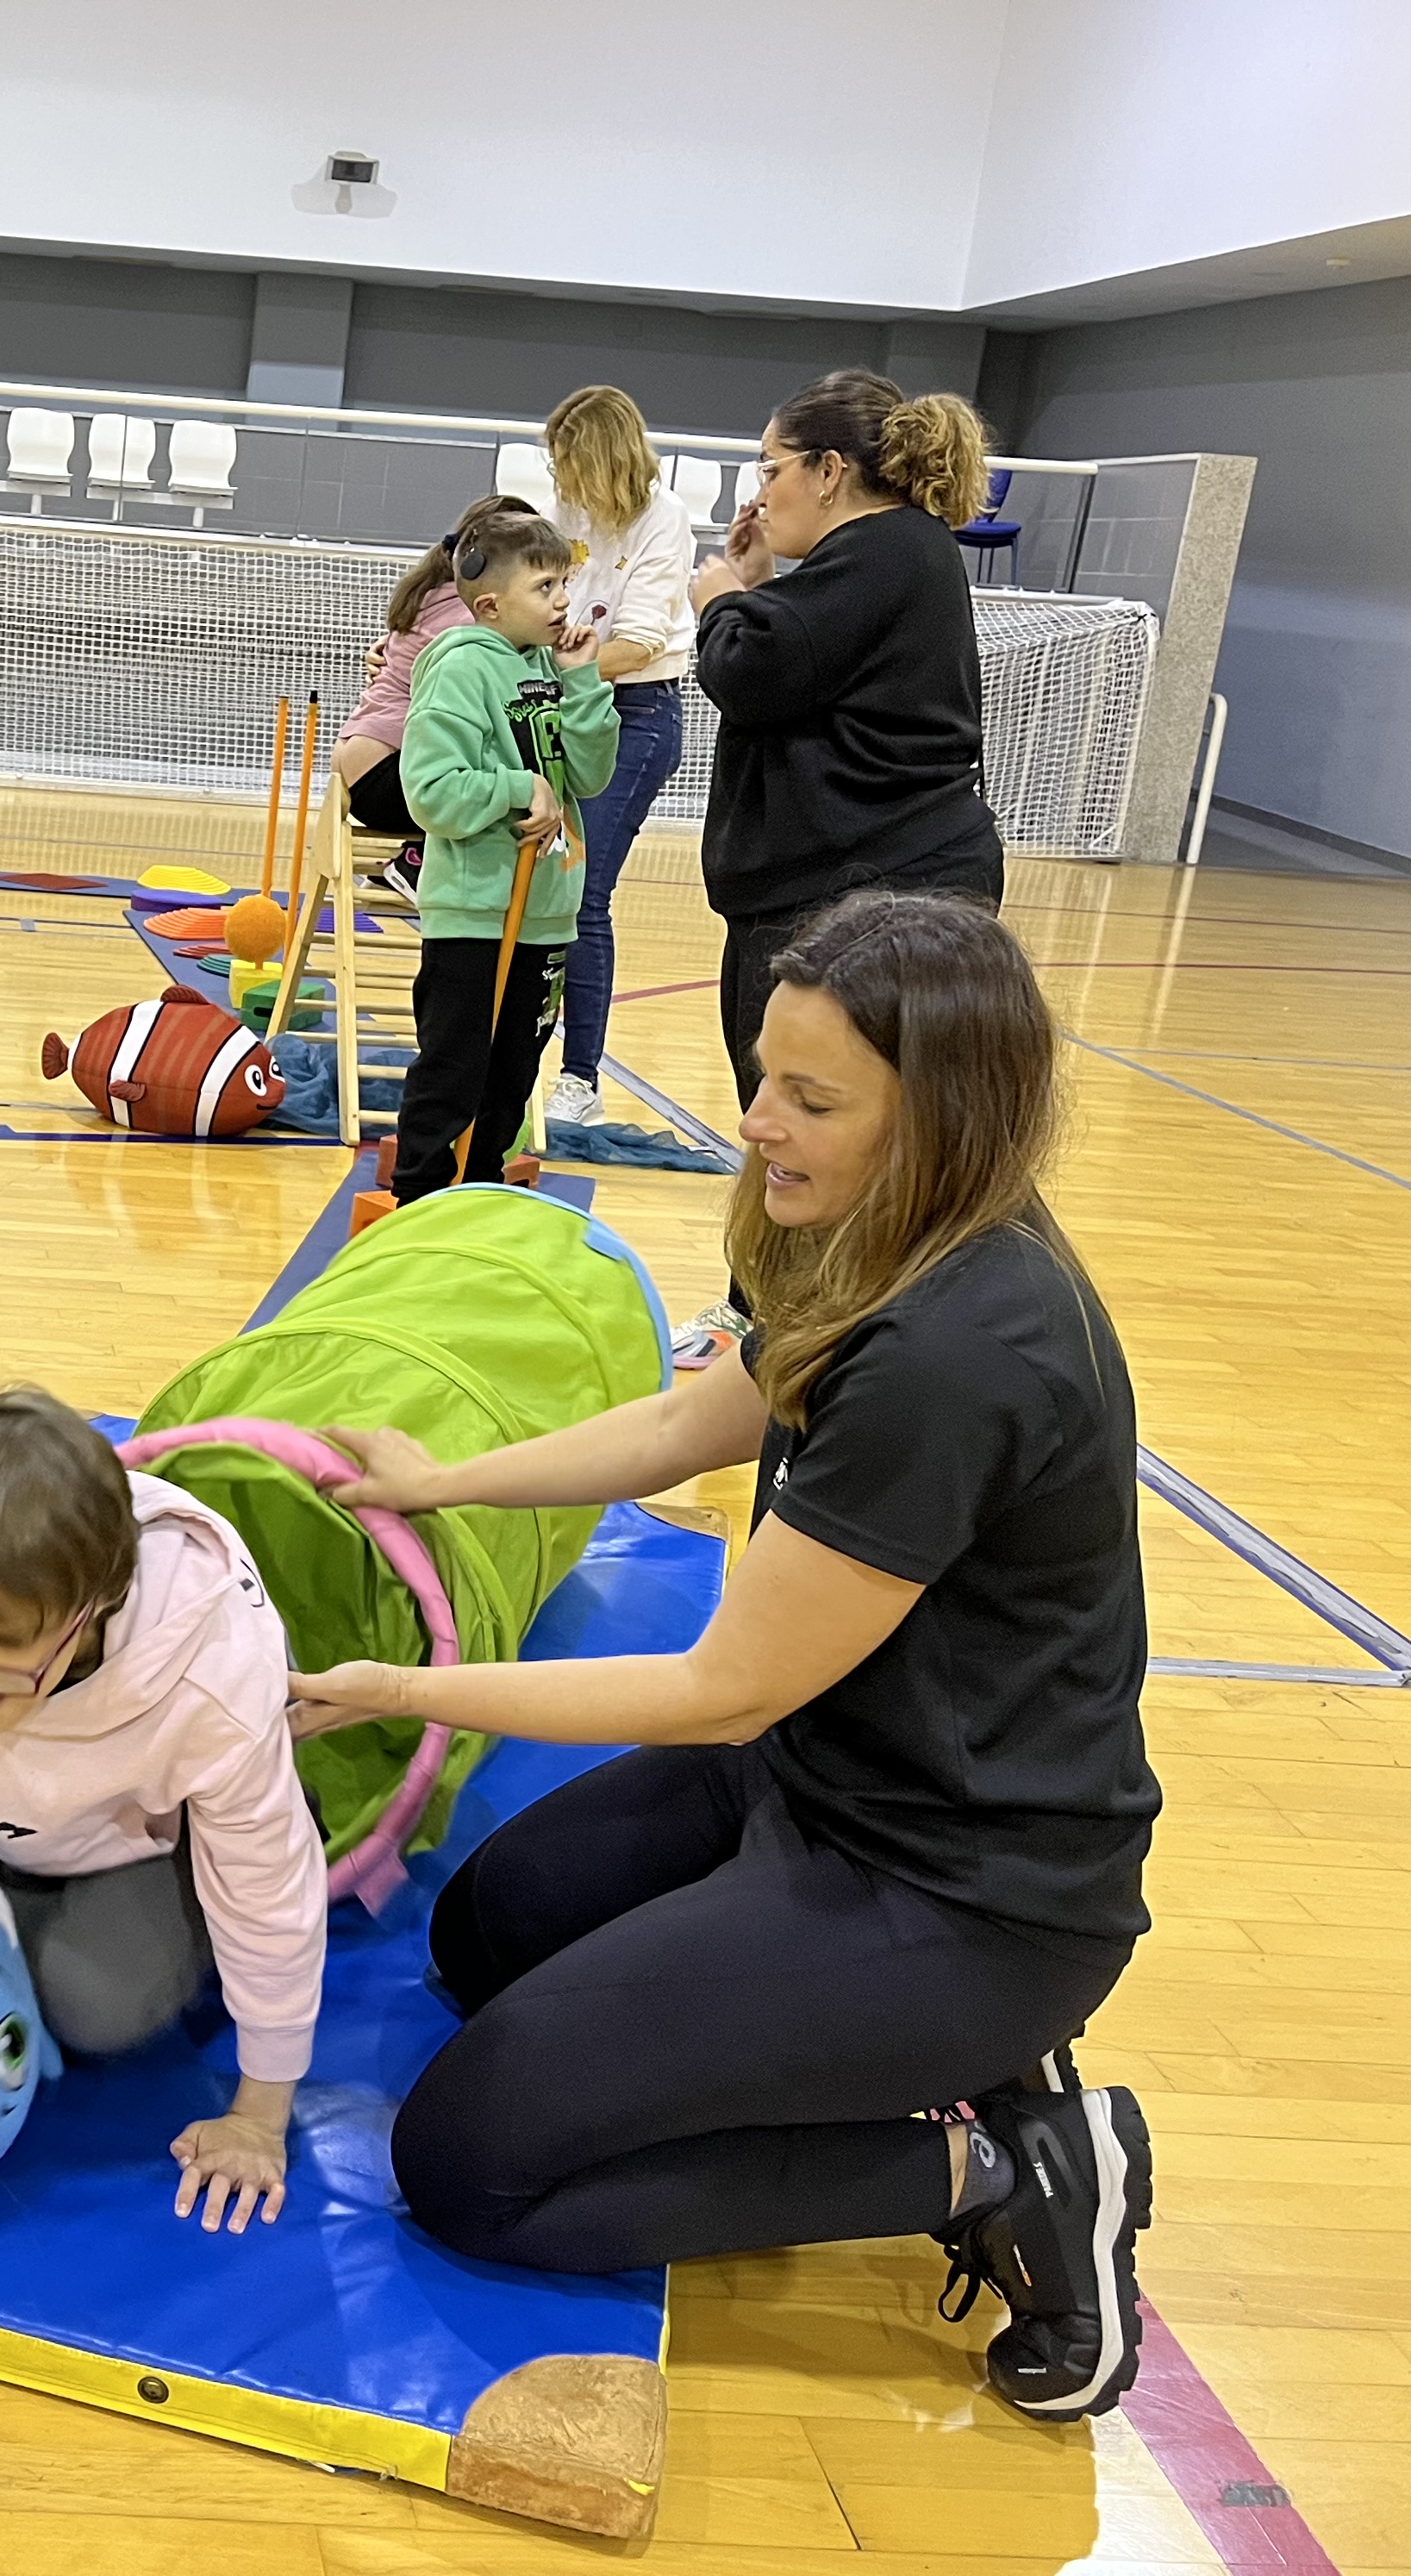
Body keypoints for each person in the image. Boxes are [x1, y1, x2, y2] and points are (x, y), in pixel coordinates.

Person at [289, 891, 1161, 2423]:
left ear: (936, 1115)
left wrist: (396, 1691)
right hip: (820, 1781)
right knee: (488, 1932)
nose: (758, 1121)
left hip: (961, 1888)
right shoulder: (871, 1231)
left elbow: (720, 1685)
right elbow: (691, 1422)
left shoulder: (957, 1353)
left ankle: (995, 2165)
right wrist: (438, 1478)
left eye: (810, 1099)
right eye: (765, 1074)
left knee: (470, 2161)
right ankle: (893, 2044)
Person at [0, 1389, 326, 2235]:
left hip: (165, 1834)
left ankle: (174, 1912)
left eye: (3, 1652)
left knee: (93, 2007)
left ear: (91, 1613)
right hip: (31, 1829)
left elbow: (267, 1891)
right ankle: (21, 1873)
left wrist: (260, 2114)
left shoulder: (211, 1686)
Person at [678, 370, 1000, 1366]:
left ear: (829, 471)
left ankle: (800, 1333)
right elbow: (798, 666)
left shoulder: (886, 551)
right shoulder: (879, 559)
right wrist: (761, 592)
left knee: (811, 1124)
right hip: (848, 885)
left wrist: (723, 599)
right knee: (800, 1116)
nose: (758, 492)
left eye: (771, 467)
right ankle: (771, 1317)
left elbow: (752, 671)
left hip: (865, 894)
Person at [387, 502, 615, 1204]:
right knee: (455, 1070)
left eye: (562, 585)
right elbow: (432, 791)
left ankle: (479, 1195)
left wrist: (582, 680)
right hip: (477, 913)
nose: (563, 601)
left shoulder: (550, 666)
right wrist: (521, 787)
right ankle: (418, 1204)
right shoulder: (458, 669)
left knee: (514, 1076)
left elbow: (591, 775)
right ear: (490, 604)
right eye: (544, 588)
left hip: (545, 912)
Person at [536, 387, 698, 1132]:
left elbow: (633, 644)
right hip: (565, 702)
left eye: (573, 465)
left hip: (637, 714)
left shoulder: (663, 522)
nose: (562, 479)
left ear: (605, 461)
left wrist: (554, 672)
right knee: (539, 883)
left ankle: (580, 1081)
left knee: (583, 893)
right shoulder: (565, 515)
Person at [326, 494, 510, 893]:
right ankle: (418, 863)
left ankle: (416, 862)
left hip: (365, 761)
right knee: (505, 783)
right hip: (384, 774)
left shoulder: (433, 593)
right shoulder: (471, 616)